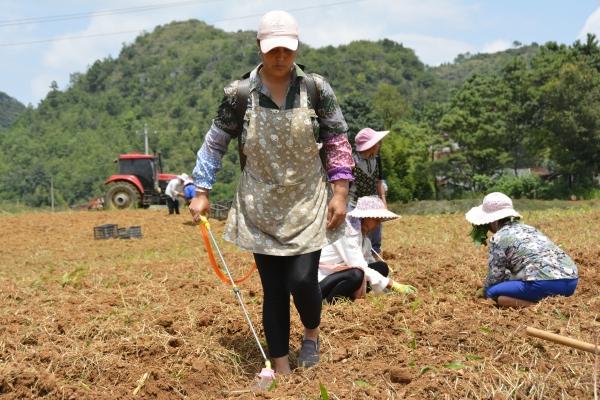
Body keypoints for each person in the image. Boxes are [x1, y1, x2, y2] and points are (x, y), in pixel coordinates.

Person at [188, 10, 354, 374]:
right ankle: (280, 365)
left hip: (306, 200)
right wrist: (202, 189)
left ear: (296, 48)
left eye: (287, 50)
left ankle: (311, 334)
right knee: (274, 288)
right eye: (273, 50)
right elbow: (215, 143)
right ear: (260, 49)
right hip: (259, 203)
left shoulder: (315, 88)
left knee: (301, 279)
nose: (280, 57)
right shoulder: (239, 94)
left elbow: (337, 141)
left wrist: (340, 193)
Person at [465, 192, 578, 308]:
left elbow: (496, 277)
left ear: (493, 221)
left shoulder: (498, 237)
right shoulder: (530, 229)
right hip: (571, 282)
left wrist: (484, 290)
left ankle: (540, 307)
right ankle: (550, 300)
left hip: (543, 283)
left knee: (492, 293)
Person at [319, 196, 416, 303]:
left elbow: (369, 263)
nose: (378, 223)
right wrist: (392, 284)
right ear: (365, 217)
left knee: (381, 267)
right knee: (357, 274)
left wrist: (389, 291)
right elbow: (361, 266)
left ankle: (348, 296)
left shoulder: (365, 240)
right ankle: (328, 301)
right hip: (322, 280)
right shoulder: (346, 233)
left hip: (341, 275)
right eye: (376, 219)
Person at [348, 127, 389, 254]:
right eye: (377, 143)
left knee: (375, 229)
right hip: (355, 202)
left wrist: (383, 202)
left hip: (373, 201)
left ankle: (375, 254)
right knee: (356, 232)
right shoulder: (352, 160)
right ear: (370, 145)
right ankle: (359, 255)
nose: (379, 145)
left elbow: (379, 181)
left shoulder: (377, 159)